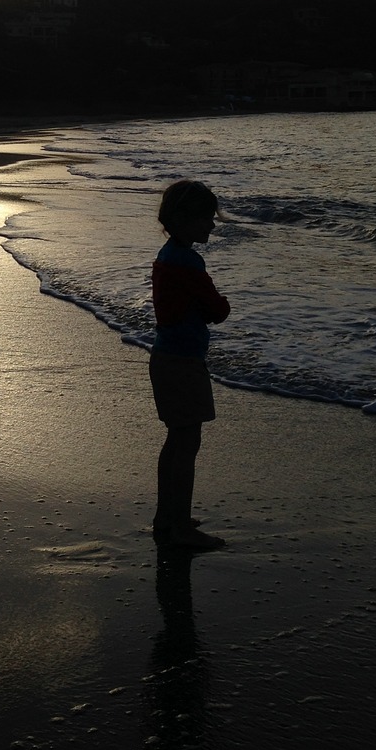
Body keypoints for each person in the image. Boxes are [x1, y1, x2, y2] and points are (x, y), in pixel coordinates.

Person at [149, 180, 231, 550]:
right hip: (182, 363)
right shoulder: (187, 261)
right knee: (186, 444)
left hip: (168, 358)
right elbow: (218, 310)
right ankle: (179, 526)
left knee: (177, 443)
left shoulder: (168, 255)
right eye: (205, 219)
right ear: (184, 218)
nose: (211, 226)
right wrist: (217, 302)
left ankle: (168, 517)